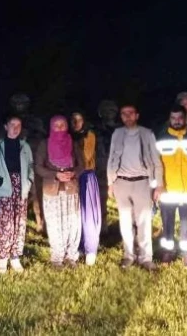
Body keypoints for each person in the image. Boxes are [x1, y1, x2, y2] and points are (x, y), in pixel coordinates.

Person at [107, 104, 163, 271]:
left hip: (142, 182)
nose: (127, 116)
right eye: (124, 114)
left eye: (130, 113)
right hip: (121, 182)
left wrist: (159, 185)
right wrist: (110, 182)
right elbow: (111, 158)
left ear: (137, 115)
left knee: (144, 221)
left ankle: (146, 258)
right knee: (125, 221)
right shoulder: (117, 133)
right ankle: (129, 255)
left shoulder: (147, 134)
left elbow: (156, 160)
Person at [0, 115, 35, 273]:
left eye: (18, 125)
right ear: (6, 126)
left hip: (21, 188)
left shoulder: (25, 146)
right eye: (12, 124)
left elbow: (31, 166)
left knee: (19, 223)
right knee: (5, 223)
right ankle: (3, 257)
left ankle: (15, 256)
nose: (15, 128)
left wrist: (29, 181)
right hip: (4, 188)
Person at [35, 115, 84, 268]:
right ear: (51, 127)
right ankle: (57, 257)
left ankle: (71, 256)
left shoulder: (72, 143)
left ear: (67, 126)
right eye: (56, 125)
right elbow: (38, 167)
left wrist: (73, 173)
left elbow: (81, 165)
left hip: (71, 189)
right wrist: (55, 174)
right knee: (55, 223)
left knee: (73, 222)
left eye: (63, 124)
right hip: (52, 190)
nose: (60, 128)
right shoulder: (44, 144)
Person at [155, 104, 187, 267]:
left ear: (185, 118)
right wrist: (157, 186)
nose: (177, 121)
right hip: (167, 191)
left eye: (180, 118)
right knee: (167, 224)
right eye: (173, 118)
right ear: (169, 119)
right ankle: (168, 252)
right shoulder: (160, 139)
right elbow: (156, 165)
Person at [8, 93, 47, 232]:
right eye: (17, 104)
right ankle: (16, 223)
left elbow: (42, 137)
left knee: (37, 192)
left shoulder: (34, 120)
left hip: (32, 161)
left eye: (22, 104)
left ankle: (41, 222)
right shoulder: (9, 121)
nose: (19, 106)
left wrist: (30, 134)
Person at [71, 111, 102, 265]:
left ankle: (90, 249)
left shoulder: (89, 136)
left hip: (86, 176)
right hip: (72, 178)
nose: (76, 123)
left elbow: (86, 157)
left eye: (79, 120)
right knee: (75, 214)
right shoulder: (67, 137)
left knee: (88, 214)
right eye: (73, 120)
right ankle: (78, 246)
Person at [94, 99, 120, 234]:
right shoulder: (95, 130)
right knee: (100, 199)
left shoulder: (121, 130)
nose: (108, 114)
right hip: (101, 168)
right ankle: (102, 226)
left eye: (111, 111)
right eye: (105, 111)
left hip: (120, 169)